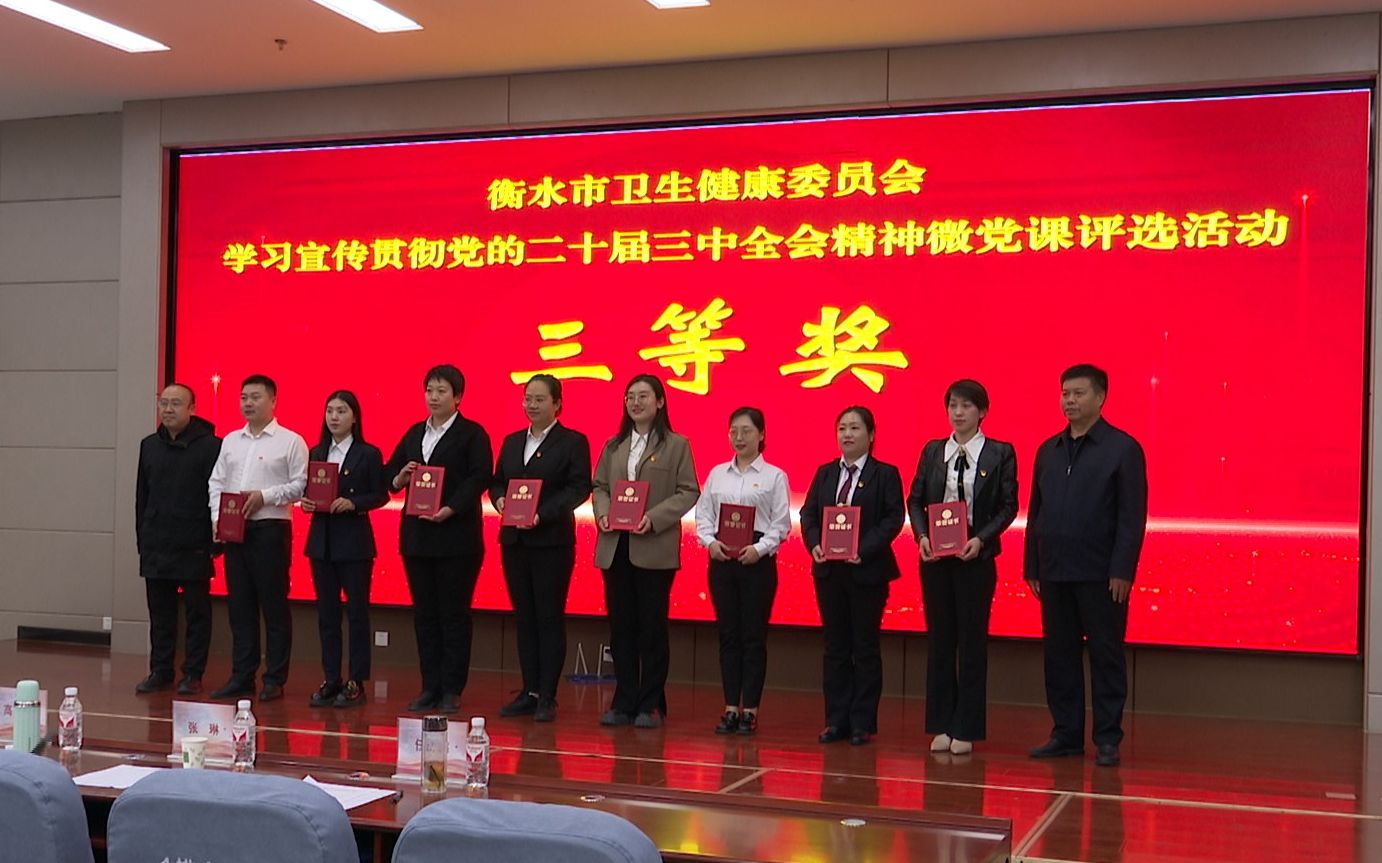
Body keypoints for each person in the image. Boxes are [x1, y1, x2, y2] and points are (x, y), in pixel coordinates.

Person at [1025, 364, 1148, 767]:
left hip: (1101, 575)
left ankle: (1108, 738)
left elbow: (1131, 517)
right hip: (1054, 571)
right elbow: (1037, 512)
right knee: (1058, 656)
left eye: (1078, 393)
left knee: (1105, 656)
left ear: (1100, 397)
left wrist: (1123, 570)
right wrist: (1032, 566)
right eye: (1065, 394)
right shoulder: (1048, 450)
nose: (1070, 401)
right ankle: (1066, 734)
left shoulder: (1122, 449)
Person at [906, 379, 1018, 755]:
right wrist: (921, 536)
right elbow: (915, 499)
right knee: (940, 641)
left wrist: (981, 539)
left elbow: (1008, 506)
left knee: (971, 643)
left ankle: (966, 726)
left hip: (975, 556)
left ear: (982, 411)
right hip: (935, 558)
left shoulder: (999, 453)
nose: (958, 412)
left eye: (966, 406)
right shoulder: (933, 450)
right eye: (953, 405)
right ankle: (941, 723)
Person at [592, 374, 700, 729]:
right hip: (616, 546)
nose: (635, 403)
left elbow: (688, 491)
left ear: (660, 401)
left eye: (643, 396)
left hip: (653, 547)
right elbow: (599, 486)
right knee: (621, 627)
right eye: (630, 397)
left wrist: (653, 519)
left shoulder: (677, 445)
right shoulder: (613, 445)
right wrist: (603, 513)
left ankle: (651, 703)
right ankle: (624, 701)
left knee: (651, 628)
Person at [384, 364, 493, 714]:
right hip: (417, 538)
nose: (433, 397)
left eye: (442, 391)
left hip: (456, 538)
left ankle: (451, 688)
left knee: (454, 614)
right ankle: (429, 686)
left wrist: (451, 508)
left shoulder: (472, 434)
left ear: (457, 397)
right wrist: (400, 477)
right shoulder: (415, 432)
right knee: (425, 615)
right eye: (429, 390)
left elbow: (480, 477)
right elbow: (390, 475)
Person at [490, 374, 593, 723]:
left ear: (557, 404)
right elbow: (497, 482)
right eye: (527, 399)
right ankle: (529, 690)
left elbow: (578, 488)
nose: (531, 405)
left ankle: (548, 694)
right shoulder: (512, 441)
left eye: (539, 399)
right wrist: (500, 499)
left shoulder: (572, 442)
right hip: (515, 541)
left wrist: (542, 514)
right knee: (524, 617)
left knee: (548, 616)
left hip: (551, 541)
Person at [800, 406, 904, 746]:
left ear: (871, 435)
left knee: (865, 647)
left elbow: (893, 518)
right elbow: (808, 514)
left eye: (855, 428)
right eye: (842, 428)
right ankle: (836, 720)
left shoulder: (884, 474)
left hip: (867, 572)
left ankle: (862, 722)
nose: (847, 434)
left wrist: (863, 548)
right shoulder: (826, 473)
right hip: (829, 572)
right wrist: (814, 544)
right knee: (835, 648)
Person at [207, 374, 309, 702]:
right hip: (234, 530)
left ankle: (274, 678)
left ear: (273, 401)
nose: (248, 403)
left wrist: (264, 496)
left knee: (274, 605)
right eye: (243, 398)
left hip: (270, 529)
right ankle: (242, 675)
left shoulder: (290, 441)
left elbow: (300, 485)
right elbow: (216, 482)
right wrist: (217, 517)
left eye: (255, 397)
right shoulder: (231, 441)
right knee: (240, 606)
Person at [694, 406, 790, 736]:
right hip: (722, 560)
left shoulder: (774, 476)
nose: (739, 437)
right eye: (733, 431)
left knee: (753, 637)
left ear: (761, 435)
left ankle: (750, 710)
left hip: (757, 562)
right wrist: (710, 542)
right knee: (728, 636)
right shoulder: (717, 474)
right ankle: (730, 708)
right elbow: (704, 515)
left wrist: (759, 549)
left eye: (746, 431)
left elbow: (781, 523)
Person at [302, 390, 388, 708]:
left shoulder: (368, 453)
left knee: (357, 614)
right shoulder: (317, 452)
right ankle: (331, 678)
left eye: (341, 411)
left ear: (354, 417)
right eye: (330, 411)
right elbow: (309, 489)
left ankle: (356, 680)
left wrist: (353, 502)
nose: (334, 417)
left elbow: (380, 494)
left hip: (354, 543)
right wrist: (307, 502)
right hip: (321, 543)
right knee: (327, 615)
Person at [134, 383, 221, 696]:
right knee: (160, 614)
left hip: (194, 543)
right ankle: (160, 670)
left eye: (176, 404)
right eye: (164, 403)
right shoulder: (149, 445)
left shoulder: (212, 446)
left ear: (192, 408)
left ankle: (193, 673)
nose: (168, 409)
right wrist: (142, 541)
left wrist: (216, 541)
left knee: (198, 614)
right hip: (157, 544)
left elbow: (218, 496)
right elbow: (141, 497)